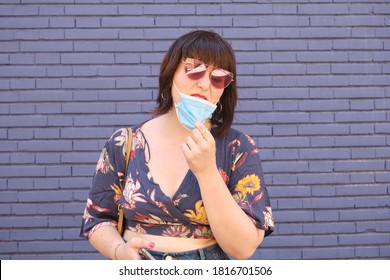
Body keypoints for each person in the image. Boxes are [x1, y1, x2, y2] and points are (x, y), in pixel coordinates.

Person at [80, 30, 274, 260]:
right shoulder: (124, 143)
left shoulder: (237, 147)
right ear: (171, 72)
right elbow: (97, 219)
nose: (204, 84)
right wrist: (119, 251)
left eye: (218, 77)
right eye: (194, 69)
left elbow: (243, 249)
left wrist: (207, 171)